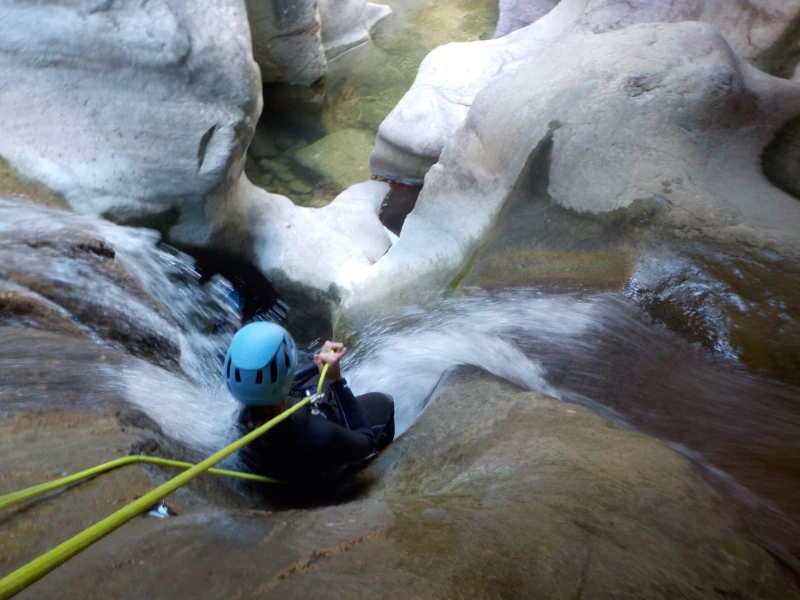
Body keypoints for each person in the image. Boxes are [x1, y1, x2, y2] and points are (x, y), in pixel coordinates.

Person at [223, 321, 395, 483]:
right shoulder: (320, 434)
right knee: (382, 402)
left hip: (284, 465)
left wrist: (320, 361)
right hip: (321, 469)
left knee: (316, 382)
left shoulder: (243, 420)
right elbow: (365, 440)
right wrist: (336, 380)